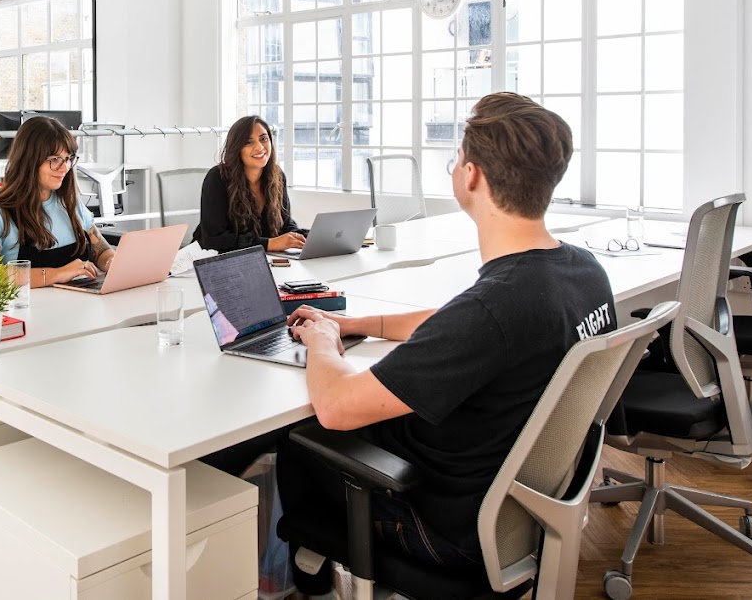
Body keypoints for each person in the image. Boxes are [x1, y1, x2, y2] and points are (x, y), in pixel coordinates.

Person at [277, 92, 616, 595]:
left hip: (445, 528)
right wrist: (359, 323)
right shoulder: (581, 272)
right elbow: (456, 323)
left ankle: (308, 582)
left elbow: (336, 407)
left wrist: (324, 337)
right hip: (521, 507)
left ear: (472, 176)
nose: (454, 167)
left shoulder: (496, 309)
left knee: (291, 440)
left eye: (455, 158)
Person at [0, 115, 116, 287]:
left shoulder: (70, 204)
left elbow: (102, 251)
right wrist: (59, 274)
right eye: (54, 160)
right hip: (28, 310)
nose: (65, 167)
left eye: (68, 158)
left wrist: (112, 263)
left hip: (79, 306)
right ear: (29, 161)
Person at [194, 115, 306, 253]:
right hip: (212, 262)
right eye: (248, 142)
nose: (259, 147)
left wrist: (304, 238)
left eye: (263, 139)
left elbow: (285, 224)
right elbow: (214, 239)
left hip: (261, 259)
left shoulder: (277, 176)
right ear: (237, 148)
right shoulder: (218, 177)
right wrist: (268, 244)